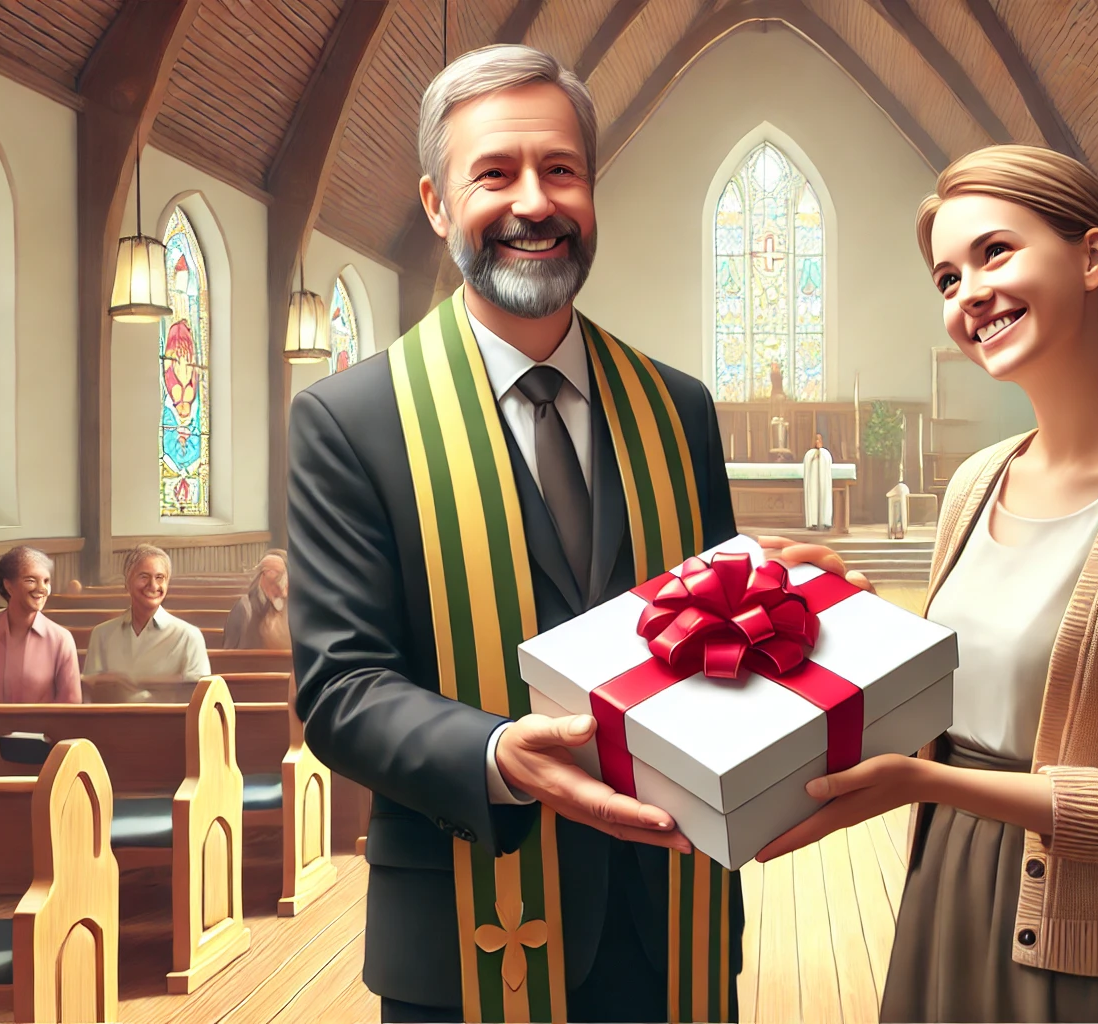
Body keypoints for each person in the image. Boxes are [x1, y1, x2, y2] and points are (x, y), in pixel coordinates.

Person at [285, 45, 859, 1024]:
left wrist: (782, 616)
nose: (533, 202)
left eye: (560, 170)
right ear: (434, 201)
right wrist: (499, 751)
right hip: (466, 930)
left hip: (669, 913)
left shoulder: (676, 406)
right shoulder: (353, 419)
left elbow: (713, 650)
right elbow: (342, 687)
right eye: (494, 172)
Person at [756, 145, 1098, 1023]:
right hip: (946, 885)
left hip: (1089, 937)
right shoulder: (975, 481)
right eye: (946, 279)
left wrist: (932, 787)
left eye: (994, 253)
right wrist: (843, 614)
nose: (968, 295)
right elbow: (968, 692)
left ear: (1093, 257)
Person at [0, 545, 80, 704]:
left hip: (42, 730)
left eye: (46, 581)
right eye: (31, 580)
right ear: (9, 586)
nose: (42, 589)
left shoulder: (61, 640)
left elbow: (70, 706)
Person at [82, 544, 211, 684]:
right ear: (127, 582)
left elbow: (200, 697)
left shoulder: (188, 636)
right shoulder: (102, 634)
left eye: (160, 577)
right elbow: (91, 692)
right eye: (144, 577)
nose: (153, 586)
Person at [223, 551, 291, 650]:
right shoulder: (244, 609)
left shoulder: (294, 609)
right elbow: (229, 657)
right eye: (275, 577)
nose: (283, 591)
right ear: (262, 577)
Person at [802, 431, 833, 529]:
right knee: (813, 498)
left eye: (819, 439)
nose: (817, 441)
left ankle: (825, 521)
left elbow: (828, 464)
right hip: (812, 481)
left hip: (823, 481)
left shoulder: (826, 453)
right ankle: (813, 522)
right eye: (816, 439)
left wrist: (821, 455)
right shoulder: (809, 454)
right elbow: (807, 464)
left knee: (825, 497)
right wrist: (813, 457)